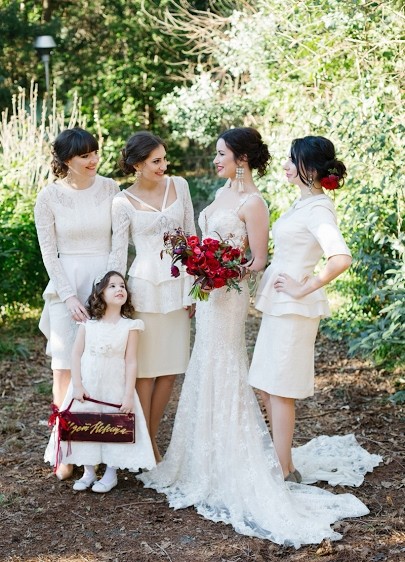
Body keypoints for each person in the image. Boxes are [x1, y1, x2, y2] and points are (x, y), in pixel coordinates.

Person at [138, 127, 369, 547]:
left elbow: (275, 258)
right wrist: (201, 267)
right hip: (225, 295)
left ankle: (279, 467)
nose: (215, 159)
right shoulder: (296, 203)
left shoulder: (282, 204)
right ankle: (232, 454)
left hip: (252, 298)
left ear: (241, 158)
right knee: (257, 380)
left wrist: (296, 284)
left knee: (267, 382)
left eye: (221, 153)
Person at [249, 135, 352, 482]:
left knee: (280, 389)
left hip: (294, 310)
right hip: (280, 306)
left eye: (293, 160)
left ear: (311, 168)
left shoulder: (319, 209)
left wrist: (303, 287)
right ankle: (285, 462)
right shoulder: (301, 204)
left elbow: (340, 258)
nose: (286, 165)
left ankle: (283, 470)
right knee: (266, 385)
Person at [35, 127, 119, 480]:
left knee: (104, 367)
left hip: (105, 281)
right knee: (65, 368)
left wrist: (110, 287)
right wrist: (68, 295)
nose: (94, 160)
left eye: (95, 152)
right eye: (85, 155)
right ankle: (65, 447)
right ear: (66, 160)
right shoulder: (48, 197)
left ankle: (102, 446)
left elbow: (119, 241)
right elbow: (49, 252)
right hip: (65, 285)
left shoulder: (111, 188)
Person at [107, 131, 195, 462]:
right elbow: (118, 252)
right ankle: (142, 444)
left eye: (164, 159)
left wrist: (194, 288)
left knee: (170, 369)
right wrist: (112, 298)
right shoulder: (121, 202)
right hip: (143, 291)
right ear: (137, 165)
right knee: (144, 373)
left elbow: (191, 237)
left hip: (178, 288)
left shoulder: (179, 186)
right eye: (156, 161)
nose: (163, 166)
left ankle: (151, 439)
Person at [44, 271, 155, 492]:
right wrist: (77, 385)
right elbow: (76, 354)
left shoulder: (130, 326)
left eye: (122, 286)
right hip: (88, 385)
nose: (119, 289)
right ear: (100, 294)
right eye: (112, 286)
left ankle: (111, 474)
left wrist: (127, 394)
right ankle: (89, 472)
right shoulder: (88, 324)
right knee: (85, 424)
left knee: (114, 425)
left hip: (115, 385)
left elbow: (131, 361)